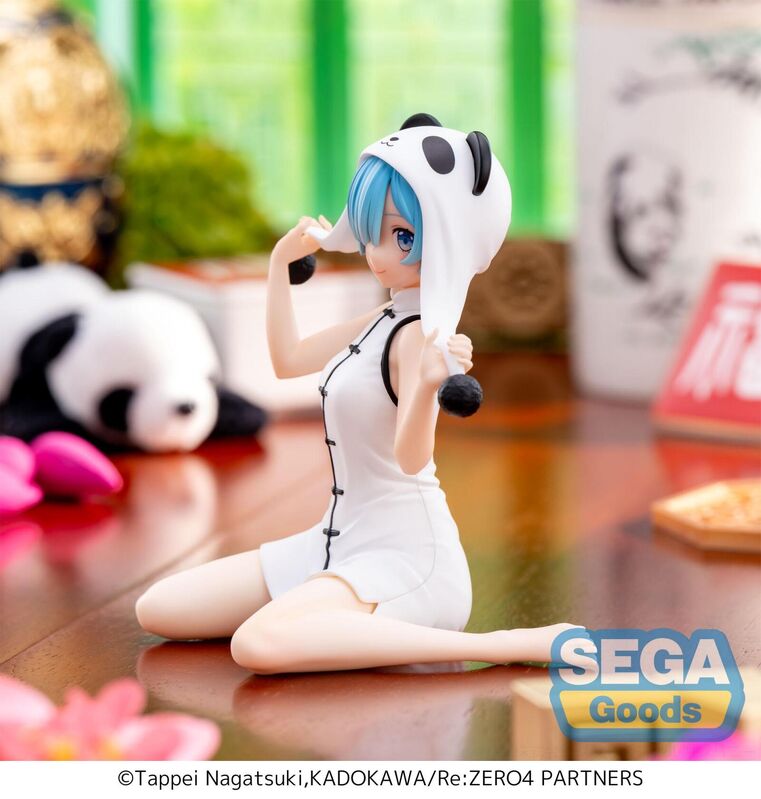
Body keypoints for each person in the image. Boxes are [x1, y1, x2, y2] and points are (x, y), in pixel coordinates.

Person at [135, 115, 582, 673]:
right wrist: (278, 265)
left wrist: (426, 386)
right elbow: (288, 360)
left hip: (406, 559)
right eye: (372, 230)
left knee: (257, 644)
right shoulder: (383, 319)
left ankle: (506, 646)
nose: (378, 253)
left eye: (402, 237)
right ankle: (332, 614)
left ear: (447, 240)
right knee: (159, 608)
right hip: (337, 539)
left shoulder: (419, 338)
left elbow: (412, 458)